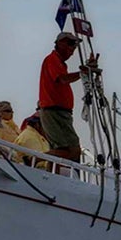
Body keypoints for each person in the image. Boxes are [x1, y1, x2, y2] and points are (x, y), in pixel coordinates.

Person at [38, 31, 83, 160]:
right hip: (55, 111)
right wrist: (83, 73)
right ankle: (33, 160)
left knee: (65, 150)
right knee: (69, 150)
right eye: (70, 44)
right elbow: (62, 79)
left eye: (74, 46)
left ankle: (52, 173)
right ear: (59, 43)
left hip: (60, 112)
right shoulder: (52, 59)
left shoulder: (59, 62)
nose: (72, 49)